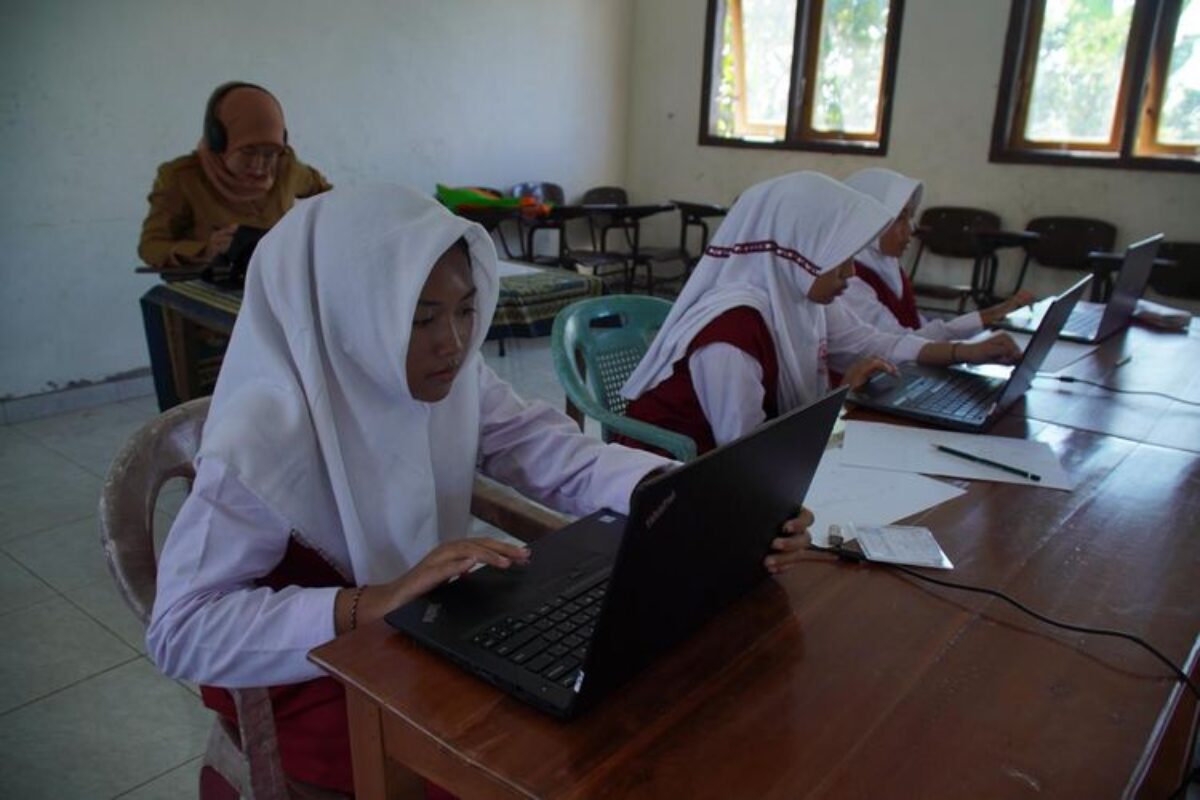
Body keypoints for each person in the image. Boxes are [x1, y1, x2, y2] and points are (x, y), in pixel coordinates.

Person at [146, 185, 815, 796]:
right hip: (317, 680)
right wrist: (367, 605)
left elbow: (548, 450)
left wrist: (686, 495)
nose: (455, 343)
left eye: (467, 310)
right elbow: (180, 631)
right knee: (538, 761)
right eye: (422, 319)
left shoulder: (453, 377)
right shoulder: (261, 442)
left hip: (413, 637)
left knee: (626, 708)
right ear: (350, 318)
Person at [619, 171, 1022, 456]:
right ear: (798, 252)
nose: (851, 272)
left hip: (743, 464)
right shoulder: (731, 336)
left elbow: (872, 341)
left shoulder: (800, 301)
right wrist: (836, 399)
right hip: (665, 481)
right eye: (839, 258)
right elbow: (744, 452)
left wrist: (964, 352)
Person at [137, 81, 331, 269]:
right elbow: (150, 247)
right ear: (219, 141)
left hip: (275, 279)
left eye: (269, 153)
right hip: (210, 283)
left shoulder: (286, 167)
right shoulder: (181, 178)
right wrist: (205, 250)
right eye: (248, 152)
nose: (259, 166)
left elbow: (330, 201)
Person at [841, 168, 1033, 337]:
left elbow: (918, 328)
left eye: (911, 217)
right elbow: (898, 341)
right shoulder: (848, 279)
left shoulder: (886, 267)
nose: (911, 229)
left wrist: (986, 320)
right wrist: (988, 316)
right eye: (900, 218)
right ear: (867, 219)